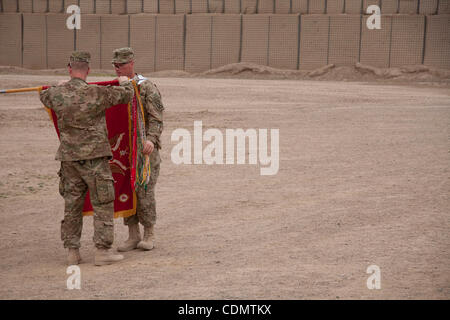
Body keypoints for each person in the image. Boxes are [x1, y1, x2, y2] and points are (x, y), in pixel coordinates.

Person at [39, 51, 134, 266]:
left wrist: (59, 85)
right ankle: (102, 251)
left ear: (70, 69)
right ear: (88, 71)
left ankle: (72, 252)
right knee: (102, 203)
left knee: (72, 205)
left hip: (69, 160)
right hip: (95, 159)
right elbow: (126, 95)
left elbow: (44, 95)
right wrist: (124, 81)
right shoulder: (96, 93)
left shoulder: (57, 94)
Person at [111, 47, 164, 252]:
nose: (118, 69)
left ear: (131, 63)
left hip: (144, 150)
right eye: (115, 66)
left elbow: (156, 117)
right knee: (126, 189)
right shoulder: (115, 87)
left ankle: (149, 233)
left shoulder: (146, 86)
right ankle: (133, 234)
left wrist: (151, 139)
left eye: (121, 65)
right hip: (123, 150)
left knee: (144, 190)